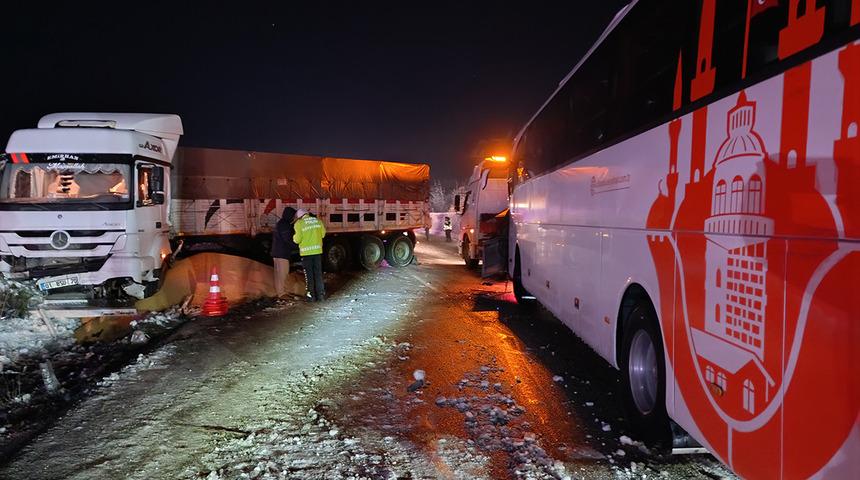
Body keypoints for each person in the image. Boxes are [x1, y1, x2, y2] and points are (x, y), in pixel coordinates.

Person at [293, 208, 326, 301]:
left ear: (300, 216)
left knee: (309, 275)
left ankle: (311, 296)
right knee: (318, 274)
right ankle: (321, 295)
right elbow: (323, 234)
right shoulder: (318, 221)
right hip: (317, 252)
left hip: (306, 254)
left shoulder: (299, 224)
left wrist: (294, 237)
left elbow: (297, 239)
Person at [271, 207, 298, 297]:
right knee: (283, 274)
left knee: (278, 275)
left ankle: (280, 293)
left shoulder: (280, 223)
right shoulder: (285, 225)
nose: (294, 218)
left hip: (277, 252)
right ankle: (283, 294)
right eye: (293, 216)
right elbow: (288, 239)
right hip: (282, 254)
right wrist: (297, 247)